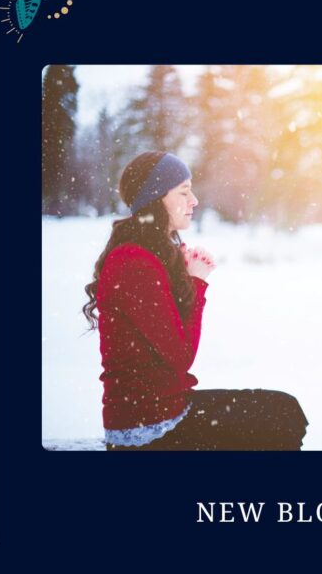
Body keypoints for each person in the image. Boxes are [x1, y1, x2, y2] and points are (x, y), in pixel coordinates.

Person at [82, 151, 308, 450]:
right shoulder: (133, 262)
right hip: (148, 428)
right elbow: (180, 356)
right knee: (281, 416)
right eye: (184, 192)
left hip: (162, 412)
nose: (194, 201)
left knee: (284, 411)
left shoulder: (147, 255)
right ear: (156, 198)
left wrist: (186, 280)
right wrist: (197, 283)